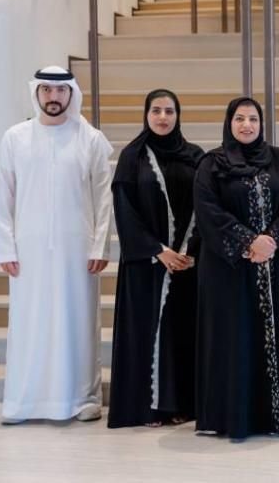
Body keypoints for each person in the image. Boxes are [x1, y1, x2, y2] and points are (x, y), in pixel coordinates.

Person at [0, 66, 113, 424]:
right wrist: (6, 248)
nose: (53, 97)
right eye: (46, 90)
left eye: (60, 91)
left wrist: (100, 246)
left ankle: (83, 398)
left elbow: (103, 198)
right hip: (28, 251)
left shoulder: (90, 139)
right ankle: (22, 402)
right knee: (29, 323)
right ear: (37, 93)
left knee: (78, 322)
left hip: (78, 251)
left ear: (71, 94)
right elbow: (3, 197)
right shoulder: (14, 138)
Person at [192, 97, 279, 439]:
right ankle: (233, 418)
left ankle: (276, 417)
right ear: (229, 123)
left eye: (253, 119)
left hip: (274, 266)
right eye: (239, 119)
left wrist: (270, 240)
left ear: (261, 123)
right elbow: (208, 211)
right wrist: (247, 242)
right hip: (228, 271)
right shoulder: (211, 165)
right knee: (234, 339)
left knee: (275, 336)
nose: (246, 125)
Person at [108, 89, 204, 428]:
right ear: (146, 114)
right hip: (146, 266)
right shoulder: (132, 157)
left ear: (178, 115)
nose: (163, 117)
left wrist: (191, 251)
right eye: (156, 110)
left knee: (182, 334)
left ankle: (182, 405)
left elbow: (207, 204)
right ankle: (149, 408)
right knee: (147, 335)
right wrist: (157, 250)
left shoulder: (195, 156)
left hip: (186, 265)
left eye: (169, 111)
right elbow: (125, 210)